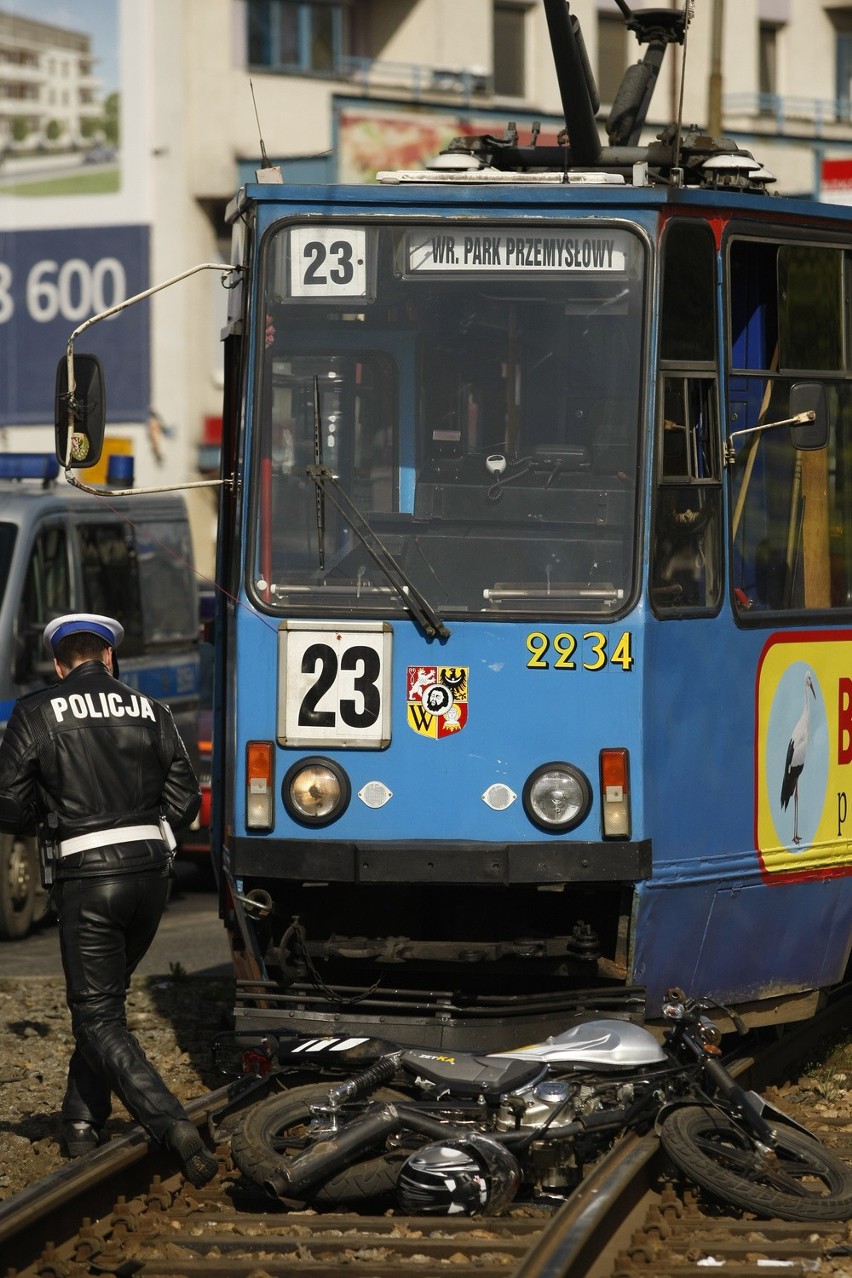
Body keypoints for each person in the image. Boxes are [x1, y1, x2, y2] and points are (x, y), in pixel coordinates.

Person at [0, 613, 217, 1188]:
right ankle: (80, 1121)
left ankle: (173, 1125)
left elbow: (6, 804)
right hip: (152, 879)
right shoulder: (152, 710)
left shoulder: (35, 711)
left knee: (97, 1014)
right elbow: (187, 800)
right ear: (110, 659)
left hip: (87, 880)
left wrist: (50, 819)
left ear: (58, 663)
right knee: (102, 1008)